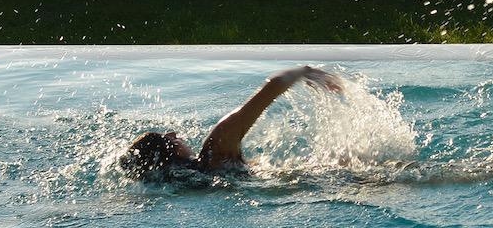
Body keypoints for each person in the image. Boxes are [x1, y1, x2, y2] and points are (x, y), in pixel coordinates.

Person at [120, 64, 344, 181]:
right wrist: (305, 72)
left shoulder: (188, 183)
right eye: (166, 138)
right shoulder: (215, 151)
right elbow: (268, 91)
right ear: (173, 152)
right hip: (333, 181)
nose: (172, 133)